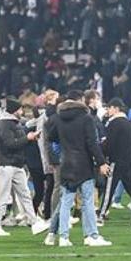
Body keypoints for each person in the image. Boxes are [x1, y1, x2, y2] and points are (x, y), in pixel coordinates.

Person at [47, 94, 112, 247]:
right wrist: (101, 162)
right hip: (83, 164)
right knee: (87, 202)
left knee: (65, 202)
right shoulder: (86, 118)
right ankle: (91, 236)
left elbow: (51, 137)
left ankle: (63, 237)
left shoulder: (58, 118)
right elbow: (92, 143)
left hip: (66, 163)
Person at [0, 97, 50, 237]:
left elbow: (17, 142)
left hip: (16, 164)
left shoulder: (12, 123)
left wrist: (30, 138)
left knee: (25, 195)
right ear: (13, 110)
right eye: (19, 109)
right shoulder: (4, 124)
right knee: (3, 196)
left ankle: (34, 223)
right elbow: (9, 144)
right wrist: (27, 138)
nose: (21, 111)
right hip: (5, 165)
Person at [98, 98, 131, 227]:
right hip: (128, 161)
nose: (108, 110)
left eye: (109, 107)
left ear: (116, 108)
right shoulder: (129, 123)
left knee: (109, 190)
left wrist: (103, 153)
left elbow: (110, 144)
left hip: (116, 161)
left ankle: (100, 216)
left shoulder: (113, 123)